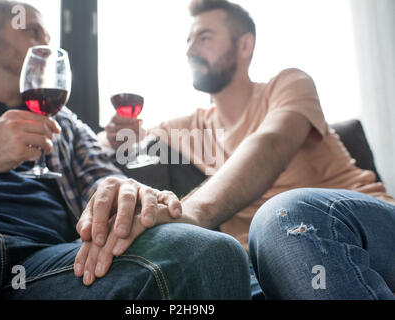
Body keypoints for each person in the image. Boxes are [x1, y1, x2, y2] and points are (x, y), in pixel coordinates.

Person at [0, 0, 251, 300]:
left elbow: (102, 178)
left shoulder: (65, 122)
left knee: (214, 254)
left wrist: (121, 195)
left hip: (47, 260)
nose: (46, 47)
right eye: (34, 32)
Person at [96, 0, 395, 299]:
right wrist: (113, 135)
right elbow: (111, 141)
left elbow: (271, 143)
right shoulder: (190, 126)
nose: (190, 51)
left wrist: (190, 213)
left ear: (245, 45)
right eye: (188, 41)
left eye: (204, 37)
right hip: (268, 270)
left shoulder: (289, 84)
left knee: (286, 214)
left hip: (363, 234)